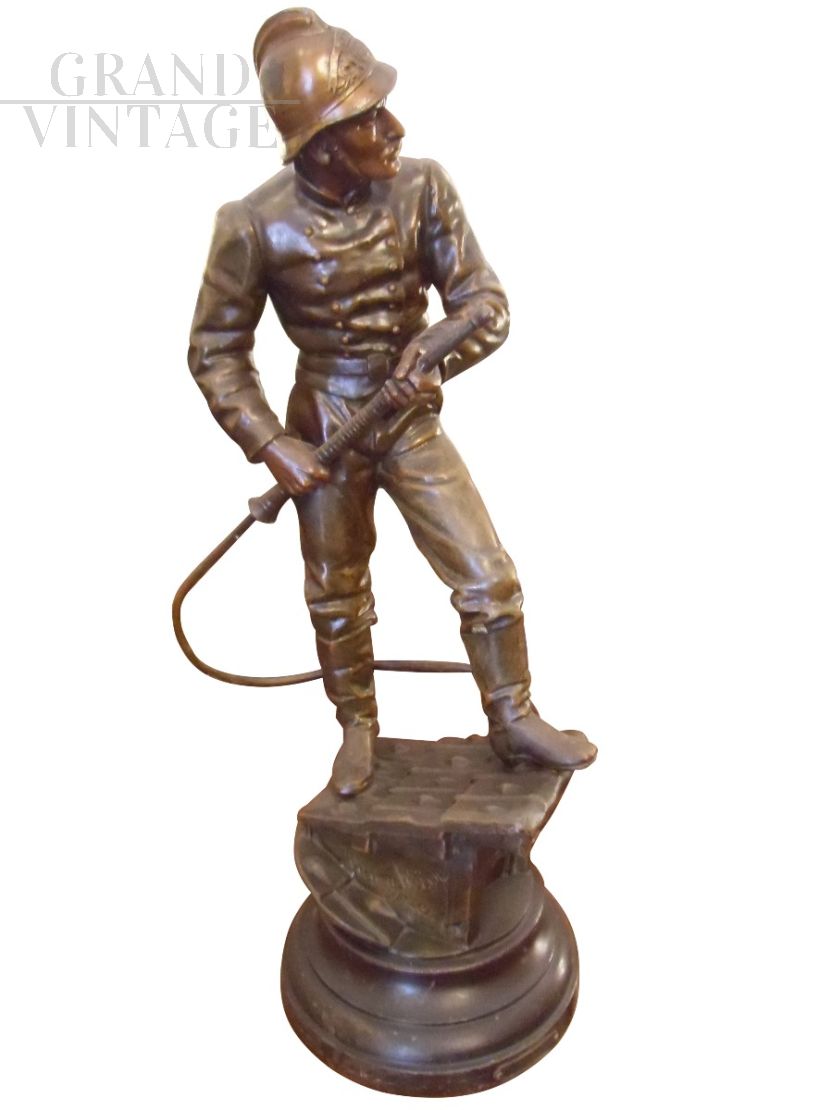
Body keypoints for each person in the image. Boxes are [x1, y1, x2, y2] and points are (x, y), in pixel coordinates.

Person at [188, 8, 597, 795]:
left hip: (408, 418)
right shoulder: (252, 224)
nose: (395, 128)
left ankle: (512, 715)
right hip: (324, 425)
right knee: (337, 590)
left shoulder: (423, 187)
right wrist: (273, 444)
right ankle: (356, 725)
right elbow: (215, 352)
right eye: (370, 116)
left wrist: (437, 362)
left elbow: (485, 304)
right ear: (322, 141)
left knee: (486, 573)